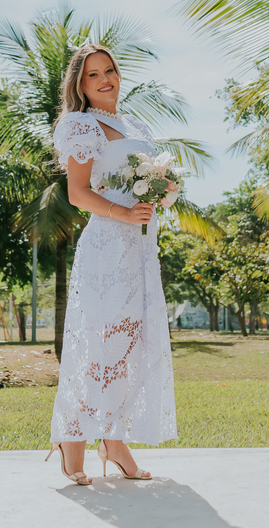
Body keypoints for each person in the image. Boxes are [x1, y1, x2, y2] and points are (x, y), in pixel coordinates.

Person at [44, 44, 175, 487]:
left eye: (110, 70)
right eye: (93, 74)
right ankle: (72, 438)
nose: (105, 80)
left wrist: (163, 190)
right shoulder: (80, 125)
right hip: (106, 248)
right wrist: (123, 213)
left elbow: (141, 183)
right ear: (80, 85)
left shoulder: (135, 125)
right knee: (98, 344)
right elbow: (78, 193)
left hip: (140, 249)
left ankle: (113, 440)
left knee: (131, 346)